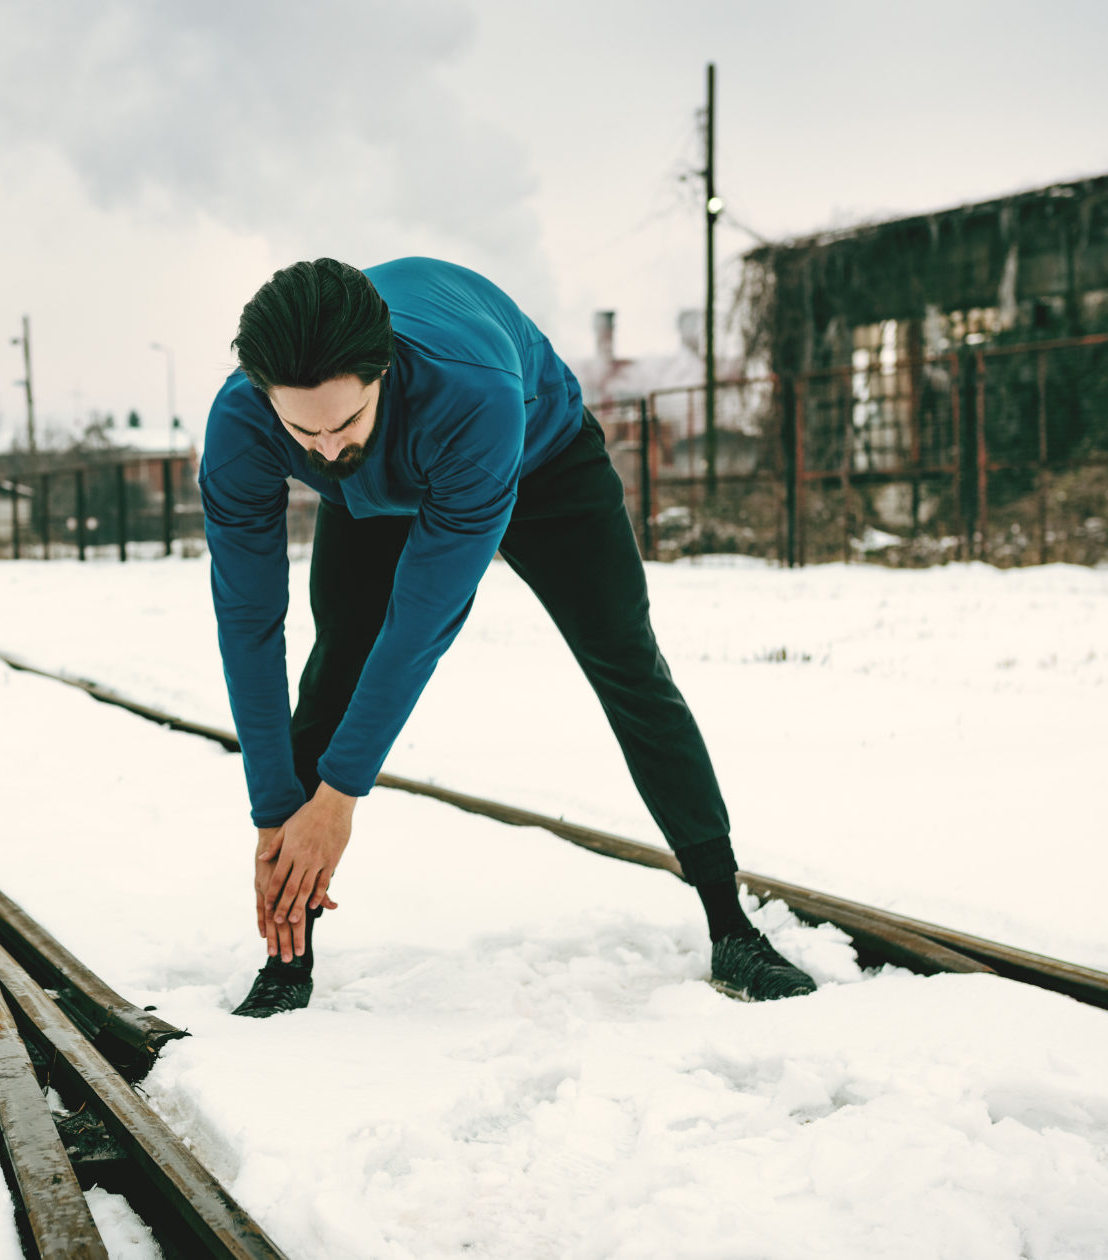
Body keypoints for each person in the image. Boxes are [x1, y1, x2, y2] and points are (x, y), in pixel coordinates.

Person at [198, 256, 815, 1017]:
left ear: (383, 372)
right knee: (337, 669)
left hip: (540, 458)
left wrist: (340, 795)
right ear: (265, 400)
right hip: (379, 492)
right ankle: (288, 963)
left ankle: (731, 925)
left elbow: (420, 625)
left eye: (345, 420)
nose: (324, 449)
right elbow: (249, 624)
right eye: (303, 431)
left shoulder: (471, 392)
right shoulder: (240, 425)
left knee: (625, 660)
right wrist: (273, 813)